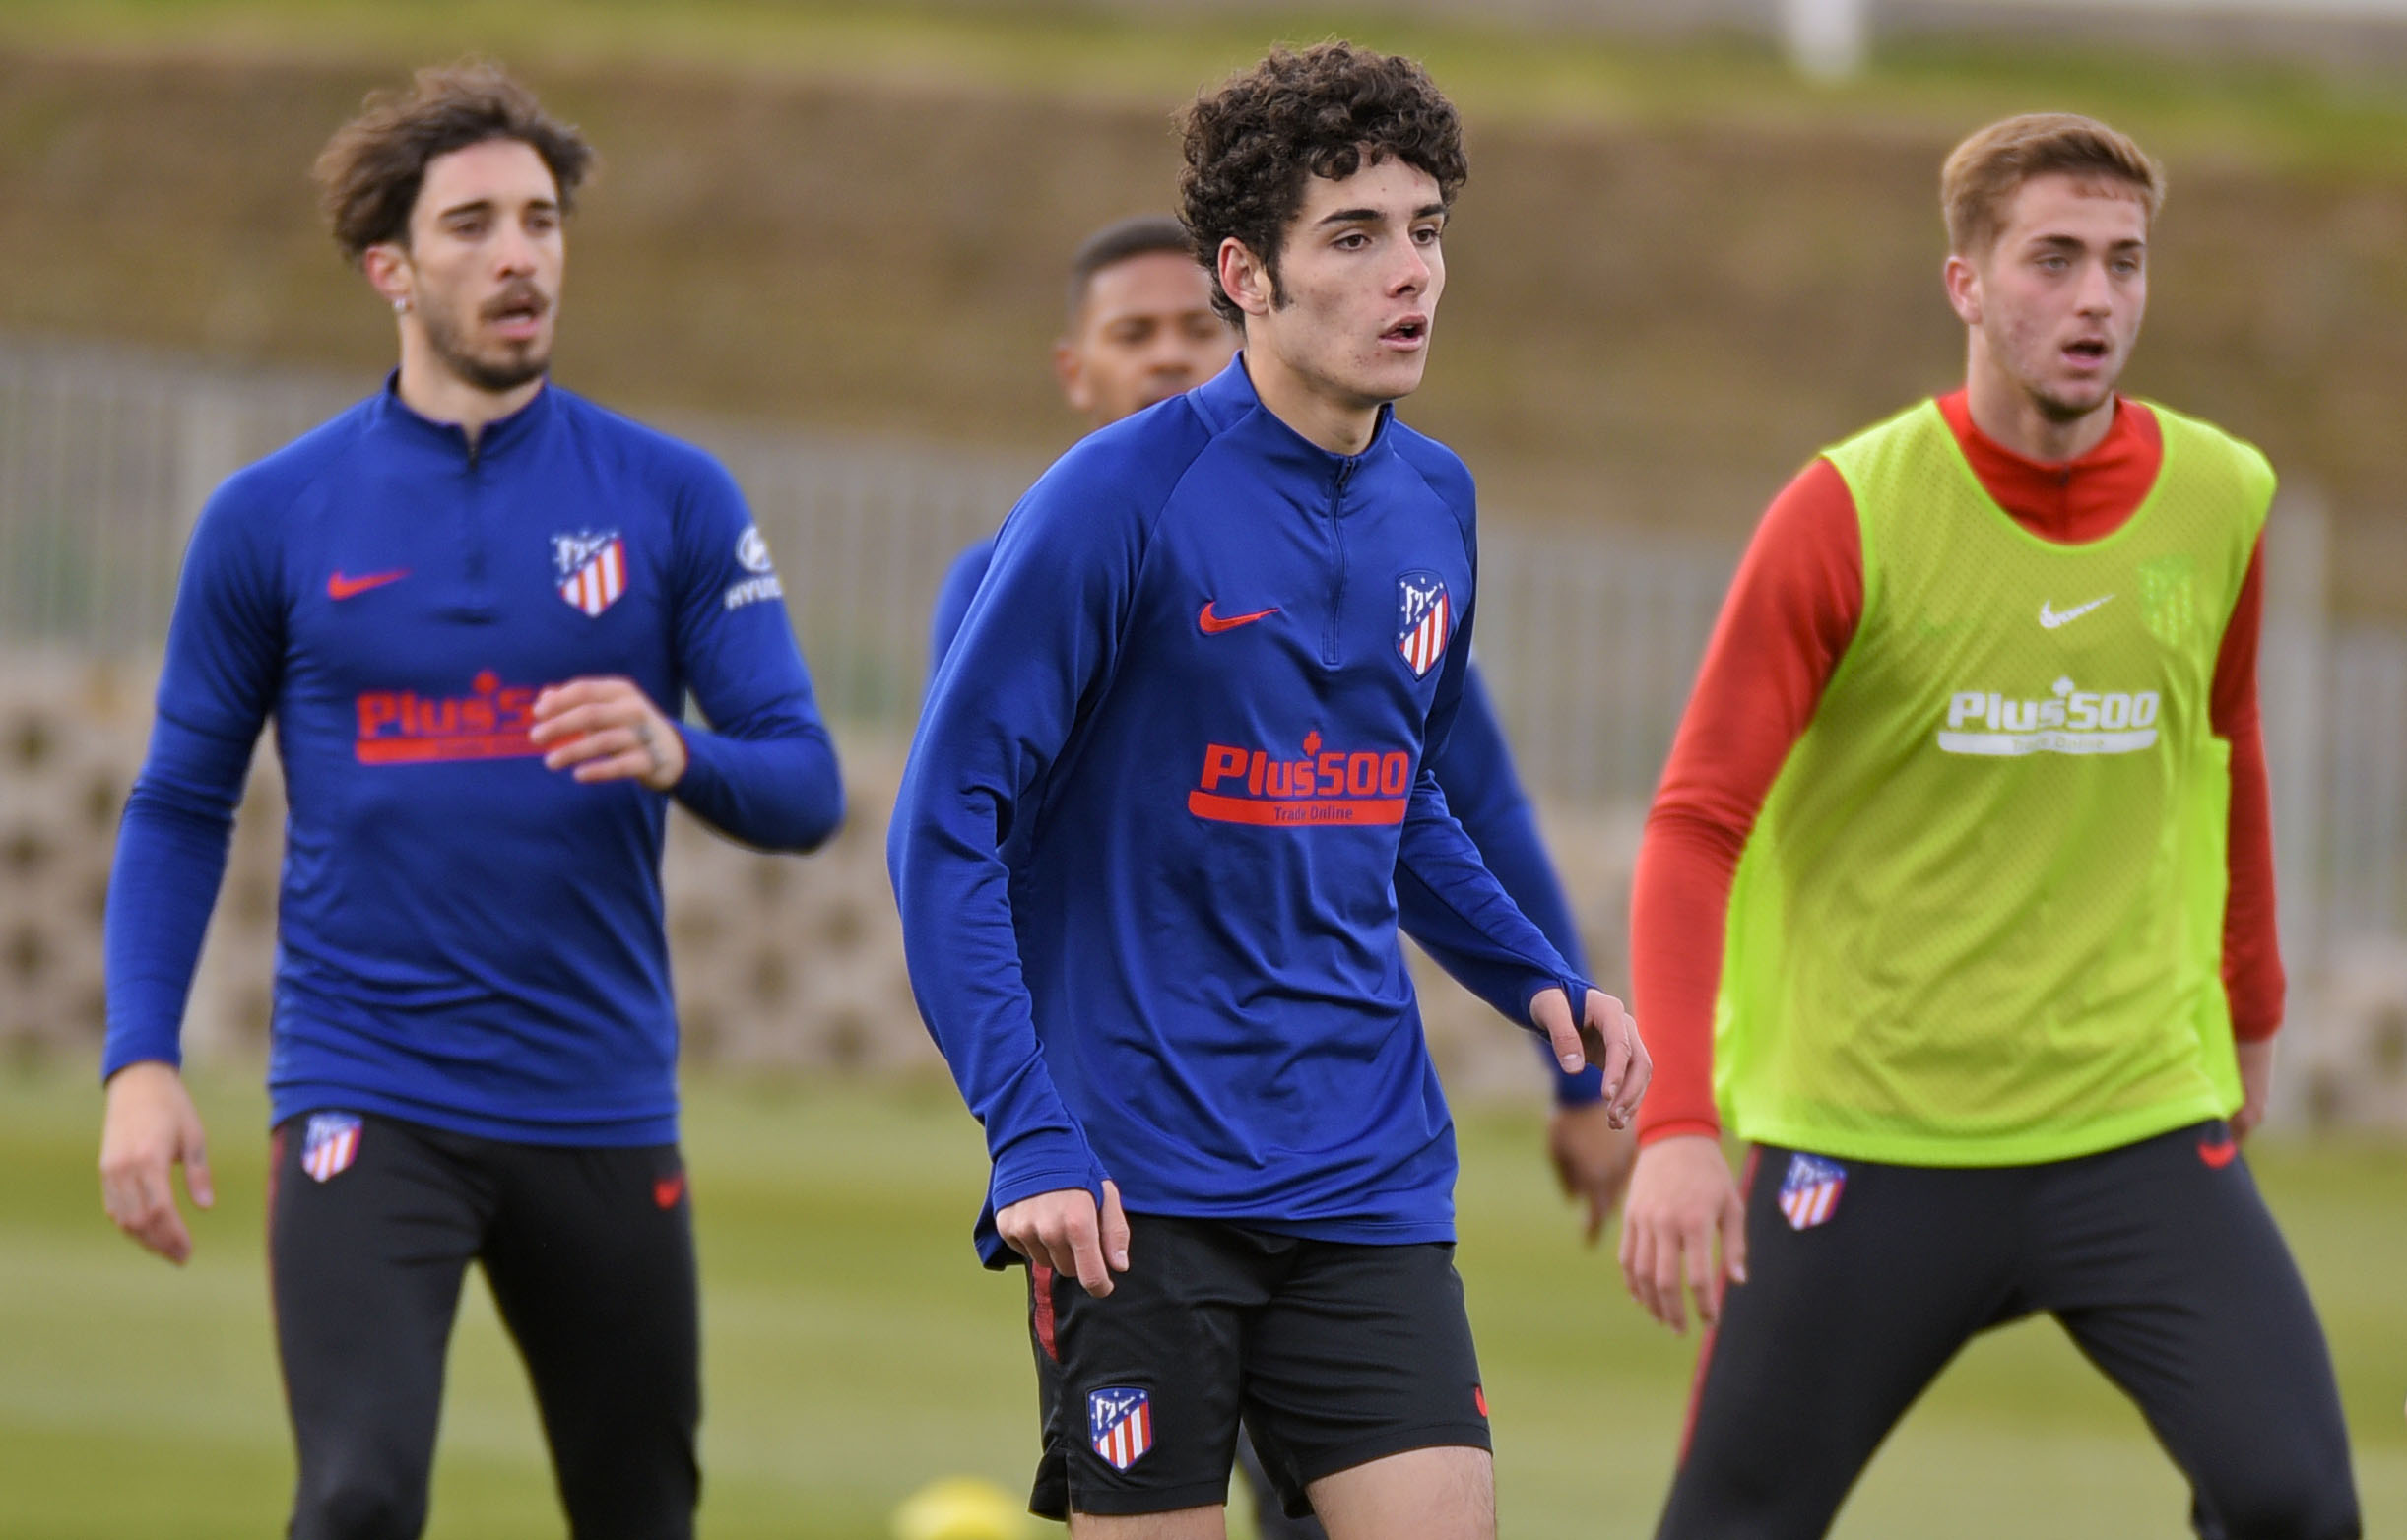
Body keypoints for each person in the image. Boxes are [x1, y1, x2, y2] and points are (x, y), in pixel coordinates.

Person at [889, 42, 1648, 1539]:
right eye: (1354, 239)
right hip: (1137, 1186)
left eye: (1426, 231)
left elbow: (1393, 790)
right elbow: (946, 822)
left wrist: (1536, 978)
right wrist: (1026, 1130)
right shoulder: (1115, 502)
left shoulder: (1440, 500)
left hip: (1366, 1169)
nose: (1407, 274)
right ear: (1248, 272)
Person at [96, 63, 844, 1540]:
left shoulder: (672, 496)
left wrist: (678, 750)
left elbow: (806, 784)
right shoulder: (272, 517)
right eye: (475, 225)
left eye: (543, 220)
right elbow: (181, 801)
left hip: (598, 1100)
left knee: (643, 1514)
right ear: (391, 267)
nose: (521, 255)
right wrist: (140, 1056)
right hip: (370, 1090)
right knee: (359, 1497)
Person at [1618, 112, 2359, 1538]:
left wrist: (2250, 1015)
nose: (2096, 301)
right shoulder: (1847, 513)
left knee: (2293, 1504)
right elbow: (1696, 823)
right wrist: (1677, 1124)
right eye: (2054, 260)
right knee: (1731, 1524)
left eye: (2125, 263)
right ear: (1965, 283)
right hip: (1870, 1131)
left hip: (2129, 1116)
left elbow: (2231, 751)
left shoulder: (2224, 496)